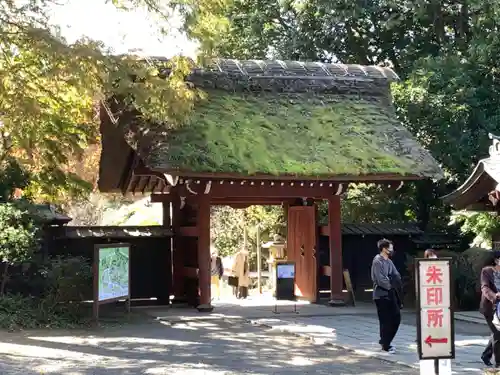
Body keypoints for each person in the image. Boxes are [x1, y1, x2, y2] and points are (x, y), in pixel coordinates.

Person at [371, 238, 402, 354]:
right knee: (385, 320)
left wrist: (394, 282)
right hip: (381, 294)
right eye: (390, 247)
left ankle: (386, 340)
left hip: (391, 293)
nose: (392, 249)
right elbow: (380, 279)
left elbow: (396, 275)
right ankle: (385, 344)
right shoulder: (377, 261)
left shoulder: (388, 261)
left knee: (396, 317)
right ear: (384, 249)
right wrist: (390, 284)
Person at [480, 250, 500, 367]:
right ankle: (498, 363)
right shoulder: (487, 271)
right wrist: (494, 296)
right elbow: (485, 288)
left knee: (496, 333)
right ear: (496, 260)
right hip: (490, 308)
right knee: (498, 333)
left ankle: (486, 355)